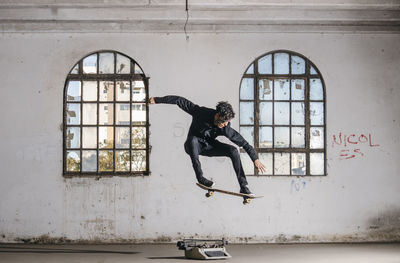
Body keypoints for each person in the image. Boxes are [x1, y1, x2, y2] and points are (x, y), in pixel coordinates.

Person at [149, 95, 266, 195]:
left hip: (209, 147)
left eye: (228, 122)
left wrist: (255, 158)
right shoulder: (200, 112)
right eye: (224, 121)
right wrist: (157, 100)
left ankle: (244, 187)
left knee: (233, 151)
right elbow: (179, 100)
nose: (226, 124)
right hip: (192, 146)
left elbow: (244, 143)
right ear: (217, 115)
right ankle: (201, 178)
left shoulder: (226, 128)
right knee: (193, 140)